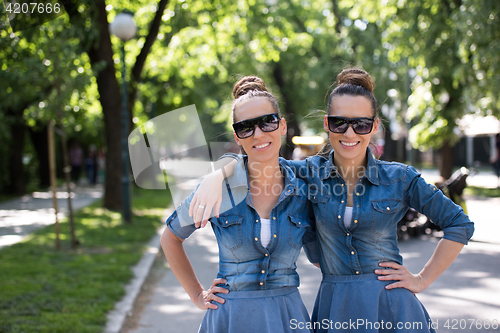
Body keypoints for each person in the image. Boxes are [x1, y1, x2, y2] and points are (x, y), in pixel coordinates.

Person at [189, 68, 474, 333]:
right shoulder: (307, 173)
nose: (349, 133)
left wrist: (421, 279)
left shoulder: (400, 178)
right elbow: (260, 159)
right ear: (327, 124)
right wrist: (220, 172)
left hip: (393, 308)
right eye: (340, 123)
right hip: (336, 308)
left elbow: (459, 224)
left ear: (374, 126)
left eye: (361, 124)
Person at [161, 76, 318, 333]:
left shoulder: (302, 192)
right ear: (237, 136)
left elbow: (323, 258)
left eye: (267, 121)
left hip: (287, 318)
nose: (258, 134)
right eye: (246, 127)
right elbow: (170, 238)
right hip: (230, 319)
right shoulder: (217, 189)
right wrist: (197, 295)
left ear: (282, 126)